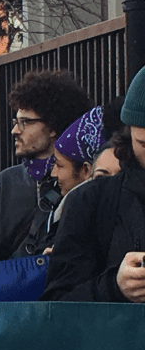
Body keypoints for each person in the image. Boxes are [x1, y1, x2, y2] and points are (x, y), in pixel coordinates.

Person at [0, 71, 92, 263]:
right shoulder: (7, 180)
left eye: (25, 122)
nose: (15, 130)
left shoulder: (79, 178)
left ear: (53, 127)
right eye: (16, 121)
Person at [42, 67, 145, 302]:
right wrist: (115, 287)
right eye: (144, 144)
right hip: (120, 337)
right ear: (129, 135)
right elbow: (56, 307)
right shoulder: (91, 202)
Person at [16, 106, 105, 256]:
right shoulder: (54, 202)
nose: (53, 173)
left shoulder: (88, 220)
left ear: (86, 170)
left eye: (59, 165)